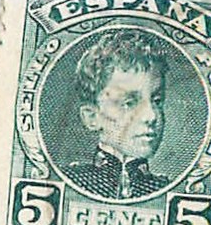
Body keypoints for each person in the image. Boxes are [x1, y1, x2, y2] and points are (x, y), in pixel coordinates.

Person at [64, 28, 171, 200]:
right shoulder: (71, 181)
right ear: (92, 117)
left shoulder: (164, 189)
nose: (151, 116)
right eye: (128, 103)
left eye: (157, 101)